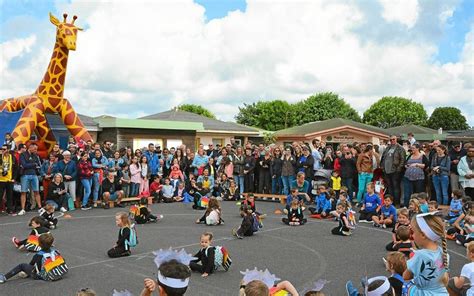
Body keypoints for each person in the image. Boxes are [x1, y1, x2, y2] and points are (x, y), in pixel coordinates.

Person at [403, 212, 449, 295]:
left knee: (405, 286)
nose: (412, 235)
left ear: (423, 235)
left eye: (412, 231)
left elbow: (405, 276)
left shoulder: (420, 255)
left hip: (423, 293)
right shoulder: (444, 253)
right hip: (441, 293)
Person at [0, 233, 68, 283]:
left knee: (22, 265)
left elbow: (32, 266)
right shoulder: (55, 252)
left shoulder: (38, 255)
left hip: (45, 276)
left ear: (39, 244)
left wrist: (28, 271)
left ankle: (4, 277)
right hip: (58, 273)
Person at [381, 135, 406, 206]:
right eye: (391, 139)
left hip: (395, 171)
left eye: (393, 139)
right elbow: (383, 158)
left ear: (396, 139)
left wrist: (398, 169)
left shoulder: (400, 148)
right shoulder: (387, 148)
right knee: (389, 186)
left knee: (396, 186)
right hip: (386, 170)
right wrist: (382, 167)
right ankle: (390, 202)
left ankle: (396, 202)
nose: (392, 141)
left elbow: (402, 160)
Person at [19, 143, 42, 215]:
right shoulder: (23, 155)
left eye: (36, 149)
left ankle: (40, 207)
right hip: (25, 175)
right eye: (35, 149)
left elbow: (38, 164)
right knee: (23, 192)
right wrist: (33, 164)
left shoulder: (35, 155)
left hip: (34, 175)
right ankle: (23, 209)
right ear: (30, 147)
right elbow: (24, 165)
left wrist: (32, 164)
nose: (36, 150)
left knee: (36, 192)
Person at [0, 144, 18, 215]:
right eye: (2, 149)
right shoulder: (0, 157)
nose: (2, 150)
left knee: (10, 196)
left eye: (4, 149)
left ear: (8, 150)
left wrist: (14, 178)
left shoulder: (12, 157)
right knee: (0, 195)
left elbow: (16, 168)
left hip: (10, 180)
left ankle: (10, 210)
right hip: (1, 180)